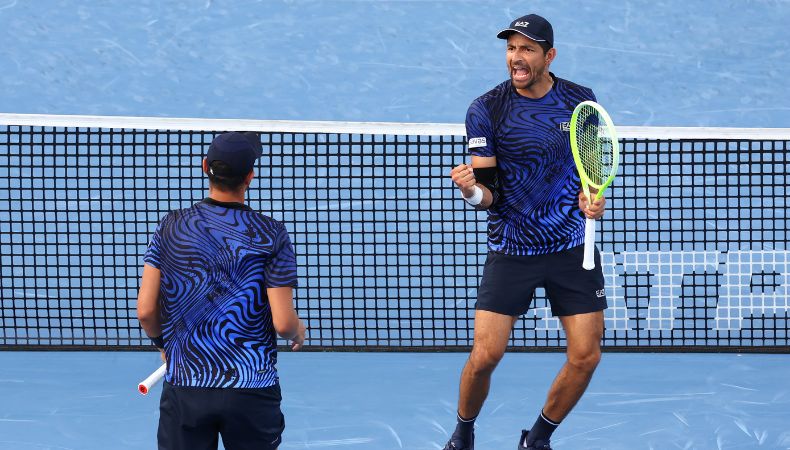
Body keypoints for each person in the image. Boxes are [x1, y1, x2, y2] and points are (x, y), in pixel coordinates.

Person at [444, 14, 608, 450]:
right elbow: (489, 195)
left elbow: (592, 167)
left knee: (586, 356)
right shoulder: (486, 110)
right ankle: (462, 434)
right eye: (511, 48)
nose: (516, 58)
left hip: (572, 248)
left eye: (527, 49)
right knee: (485, 357)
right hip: (512, 248)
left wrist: (594, 197)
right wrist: (470, 192)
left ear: (548, 56)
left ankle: (536, 440)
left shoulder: (580, 101)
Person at [137, 131, 306, 450]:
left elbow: (146, 311)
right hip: (252, 387)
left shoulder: (170, 227)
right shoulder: (272, 234)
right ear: (250, 177)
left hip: (187, 386)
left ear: (205, 167)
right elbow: (283, 324)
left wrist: (164, 344)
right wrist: (298, 330)